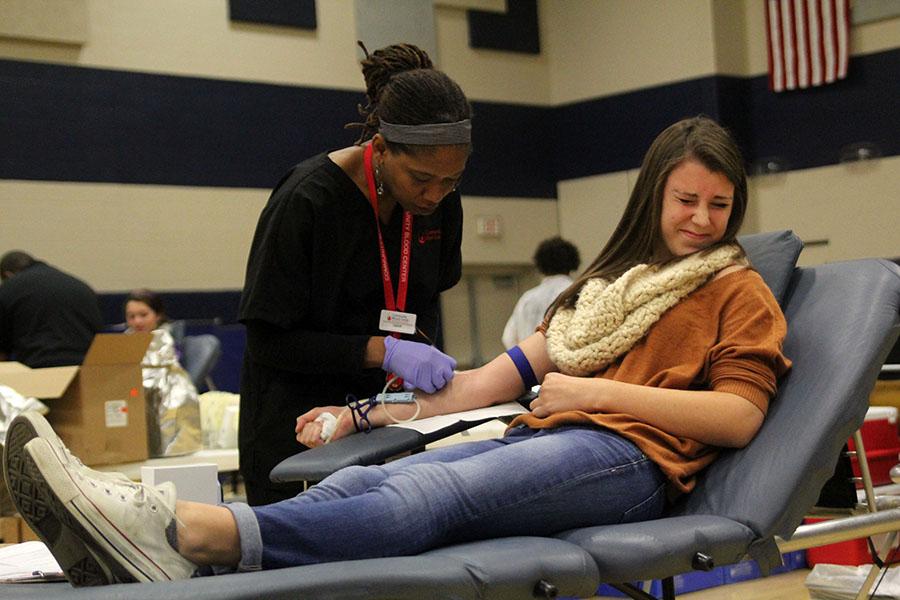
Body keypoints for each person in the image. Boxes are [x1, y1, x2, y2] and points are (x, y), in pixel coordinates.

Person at [3, 116, 792, 585]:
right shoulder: (609, 291)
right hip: (552, 435)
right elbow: (486, 382)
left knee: (428, 503)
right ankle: (170, 541)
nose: (701, 219)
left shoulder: (737, 290)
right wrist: (361, 413)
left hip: (629, 462)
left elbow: (737, 416)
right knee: (378, 478)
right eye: (686, 199)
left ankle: (186, 534)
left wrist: (595, 397)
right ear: (654, 193)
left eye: (719, 204)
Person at [237, 42, 471, 504]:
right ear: (380, 148)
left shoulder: (441, 206)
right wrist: (380, 350)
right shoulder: (307, 200)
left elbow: (423, 309)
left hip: (388, 424)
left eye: (452, 181)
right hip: (298, 435)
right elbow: (267, 340)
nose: (434, 196)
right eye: (421, 179)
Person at [125, 288, 201, 457]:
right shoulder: (125, 342)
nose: (137, 321)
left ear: (157, 315)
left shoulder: (165, 340)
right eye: (131, 316)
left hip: (168, 396)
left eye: (143, 315)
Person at [0, 251, 103, 368]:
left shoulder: (9, 288)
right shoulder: (81, 287)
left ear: (8, 275)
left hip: (39, 369)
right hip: (84, 368)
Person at [502, 236, 581, 348]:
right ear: (573, 262)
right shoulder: (576, 292)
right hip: (562, 361)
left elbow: (508, 337)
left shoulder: (527, 298)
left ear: (540, 265)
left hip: (528, 360)